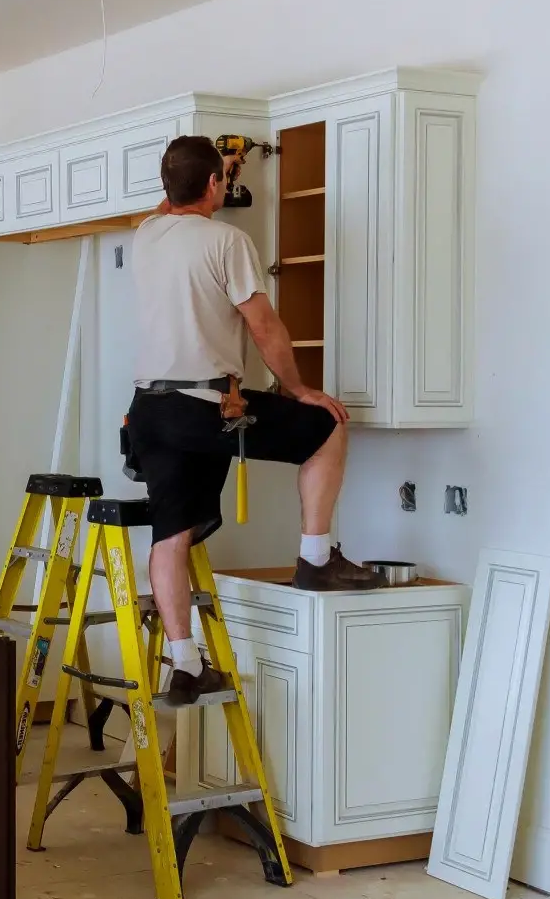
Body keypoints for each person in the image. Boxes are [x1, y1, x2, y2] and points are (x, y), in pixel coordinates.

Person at [126, 134, 384, 708]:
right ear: (215, 184)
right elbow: (264, 327)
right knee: (327, 429)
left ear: (167, 187)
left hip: (151, 410)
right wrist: (298, 390)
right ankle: (316, 559)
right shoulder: (227, 240)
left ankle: (186, 667)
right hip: (205, 406)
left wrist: (215, 169)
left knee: (170, 536)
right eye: (221, 178)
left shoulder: (146, 235)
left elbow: (175, 200)